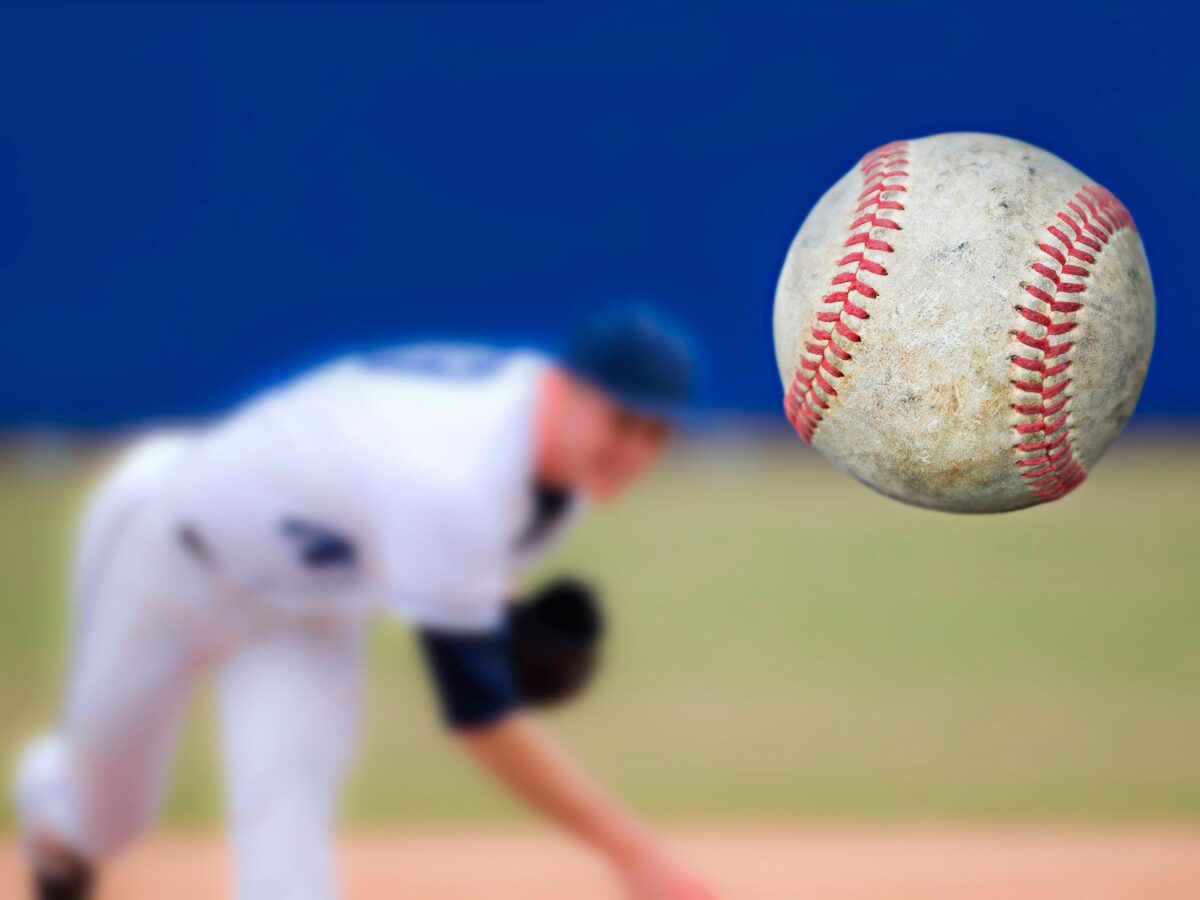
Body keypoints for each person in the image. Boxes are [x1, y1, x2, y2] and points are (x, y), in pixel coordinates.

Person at [12, 308, 717, 900]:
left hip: (310, 614)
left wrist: (503, 615)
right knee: (106, 820)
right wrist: (636, 855)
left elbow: (456, 551)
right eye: (622, 420)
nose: (634, 449)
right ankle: (53, 792)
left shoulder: (555, 464)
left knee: (290, 864)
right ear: (566, 389)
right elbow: (480, 717)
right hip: (172, 548)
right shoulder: (460, 470)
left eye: (655, 432)